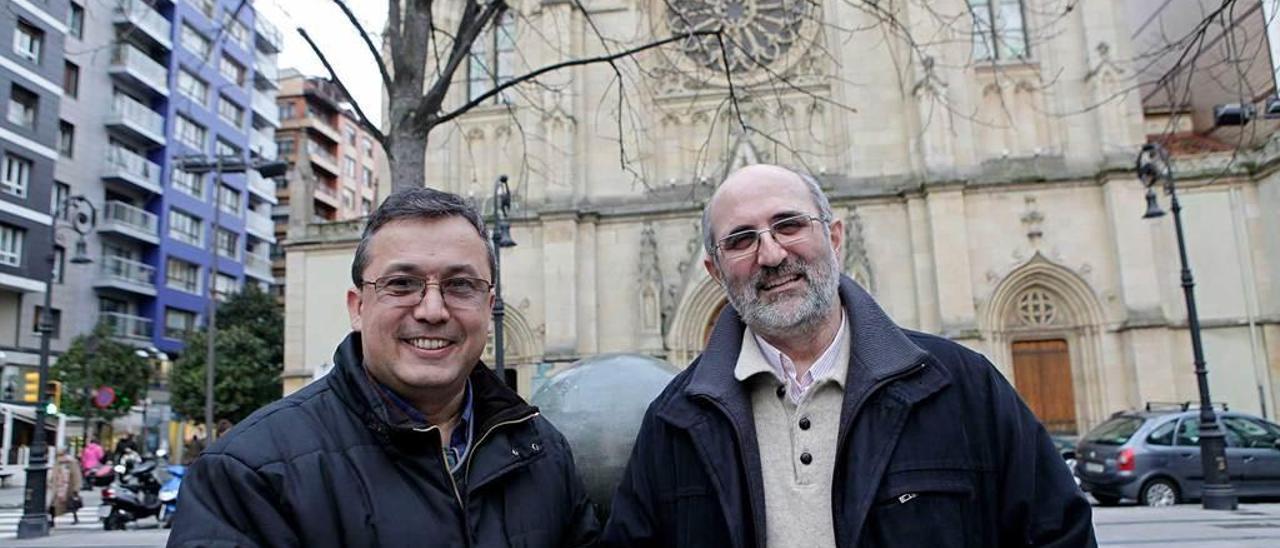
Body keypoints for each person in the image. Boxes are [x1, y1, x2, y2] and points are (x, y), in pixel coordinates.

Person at [604, 164, 1095, 547]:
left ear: (835, 238)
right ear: (714, 270)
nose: (771, 255)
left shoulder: (961, 386)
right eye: (741, 239)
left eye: (789, 225)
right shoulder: (674, 421)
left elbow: (1056, 533)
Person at [171, 188, 599, 547]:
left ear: (488, 309)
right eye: (401, 284)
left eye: (461, 285)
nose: (432, 310)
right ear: (357, 308)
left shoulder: (542, 452)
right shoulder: (249, 472)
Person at [48, 447, 82, 526]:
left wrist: (76, 487)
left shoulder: (70, 462)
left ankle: (52, 520)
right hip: (61, 486)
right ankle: (52, 520)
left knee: (69, 504)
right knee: (56, 505)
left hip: (65, 486)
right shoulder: (60, 462)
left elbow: (76, 475)